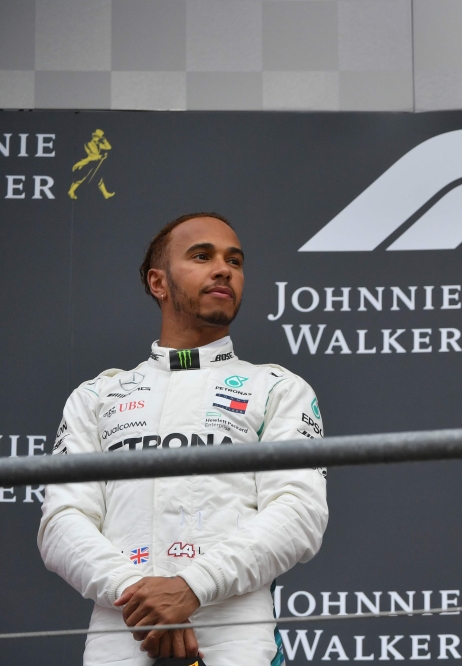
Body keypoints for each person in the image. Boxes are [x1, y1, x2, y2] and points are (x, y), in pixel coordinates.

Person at [38, 213, 329, 665]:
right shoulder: (97, 396)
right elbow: (61, 523)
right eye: (201, 256)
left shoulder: (277, 388)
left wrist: (192, 587)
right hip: (121, 634)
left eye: (234, 260)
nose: (223, 269)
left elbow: (299, 513)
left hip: (236, 642)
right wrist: (135, 595)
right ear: (158, 283)